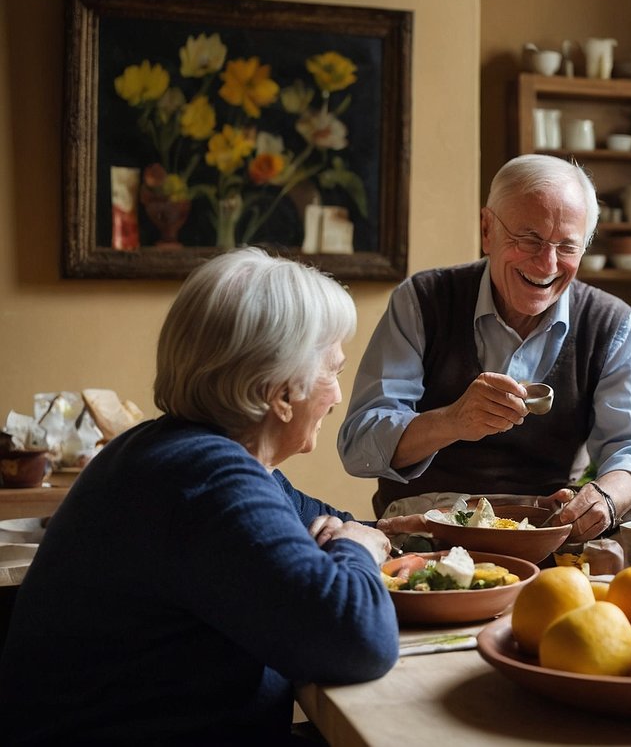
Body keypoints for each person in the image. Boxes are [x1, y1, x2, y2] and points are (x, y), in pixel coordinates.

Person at [0, 249, 402, 746]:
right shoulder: (205, 479)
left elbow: (324, 521)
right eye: (333, 372)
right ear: (280, 392)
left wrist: (358, 538)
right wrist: (356, 550)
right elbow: (358, 641)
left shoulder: (177, 449)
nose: (338, 397)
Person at [338, 154, 631, 542]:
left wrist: (606, 499)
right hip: (421, 532)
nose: (546, 263)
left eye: (567, 246)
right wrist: (451, 422)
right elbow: (359, 443)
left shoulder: (611, 323)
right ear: (486, 229)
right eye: (529, 239)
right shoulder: (422, 301)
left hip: (541, 535)